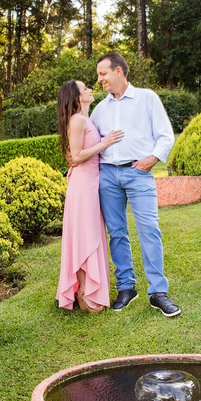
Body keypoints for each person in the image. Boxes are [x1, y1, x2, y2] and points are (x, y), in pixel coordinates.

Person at [89, 52, 181, 317]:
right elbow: (92, 142)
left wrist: (151, 159)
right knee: (117, 233)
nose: (100, 79)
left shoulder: (147, 98)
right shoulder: (100, 109)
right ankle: (126, 287)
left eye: (103, 73)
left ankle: (158, 292)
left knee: (149, 230)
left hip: (138, 173)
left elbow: (165, 135)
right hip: (107, 175)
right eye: (98, 75)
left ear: (119, 72)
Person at [56, 79, 123, 312]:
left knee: (92, 233)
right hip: (83, 184)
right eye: (85, 88)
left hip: (92, 182)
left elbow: (74, 154)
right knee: (86, 235)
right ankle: (86, 292)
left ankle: (88, 289)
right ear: (76, 97)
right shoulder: (76, 120)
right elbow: (77, 154)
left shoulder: (87, 119)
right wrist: (104, 144)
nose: (90, 89)